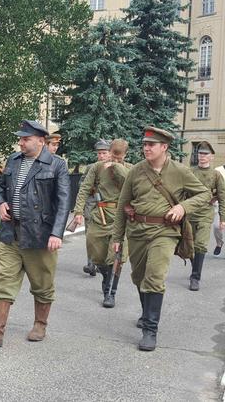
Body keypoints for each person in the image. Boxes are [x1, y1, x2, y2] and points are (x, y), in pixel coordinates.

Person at [0, 120, 71, 347]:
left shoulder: (56, 165)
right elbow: (1, 187)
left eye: (25, 139)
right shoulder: (13, 160)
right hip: (11, 233)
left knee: (42, 284)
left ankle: (40, 325)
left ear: (41, 141)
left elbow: (64, 201)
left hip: (40, 236)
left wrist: (57, 234)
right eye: (20, 139)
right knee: (2, 280)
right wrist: (0, 203)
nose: (21, 143)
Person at [112, 127, 210, 351]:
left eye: (151, 145)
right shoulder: (136, 171)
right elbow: (122, 205)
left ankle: (150, 330)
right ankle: (146, 313)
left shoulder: (180, 171)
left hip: (165, 232)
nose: (146, 148)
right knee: (139, 277)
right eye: (145, 144)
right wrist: (117, 236)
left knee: (154, 276)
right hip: (137, 231)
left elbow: (204, 194)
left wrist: (182, 207)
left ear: (164, 147)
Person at [72, 139, 130, 308]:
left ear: (125, 155)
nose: (115, 158)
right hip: (100, 216)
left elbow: (129, 183)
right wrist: (78, 212)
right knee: (96, 254)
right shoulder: (97, 168)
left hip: (121, 219)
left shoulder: (130, 168)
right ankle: (106, 276)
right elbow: (84, 188)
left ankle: (110, 292)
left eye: (119, 156)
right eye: (113, 154)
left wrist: (116, 166)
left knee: (117, 257)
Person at [188, 142, 225, 291]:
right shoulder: (190, 172)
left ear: (211, 157)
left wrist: (223, 219)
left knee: (201, 244)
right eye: (200, 154)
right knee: (190, 246)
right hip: (189, 213)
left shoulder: (216, 175)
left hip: (205, 213)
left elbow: (223, 197)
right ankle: (195, 269)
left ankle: (195, 277)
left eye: (205, 154)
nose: (202, 157)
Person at [81, 139, 112, 276]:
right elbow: (82, 184)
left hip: (108, 207)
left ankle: (102, 263)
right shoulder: (91, 167)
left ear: (110, 153)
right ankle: (91, 263)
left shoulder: (114, 167)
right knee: (90, 236)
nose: (101, 156)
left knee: (105, 238)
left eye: (104, 153)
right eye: (99, 153)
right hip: (92, 205)